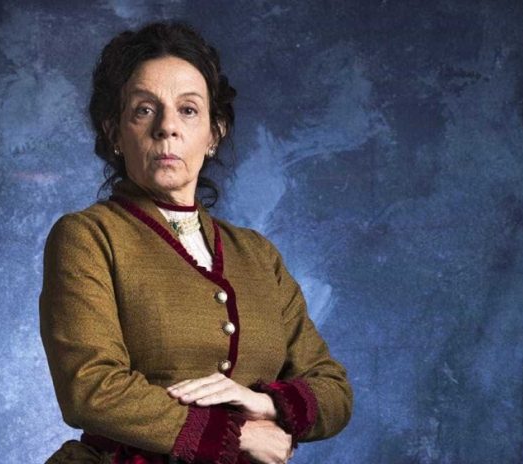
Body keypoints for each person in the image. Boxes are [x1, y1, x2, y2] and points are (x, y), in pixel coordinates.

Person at [39, 22, 352, 464]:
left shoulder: (257, 254)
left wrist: (266, 403)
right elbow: (89, 388)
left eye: (188, 110)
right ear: (114, 131)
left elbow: (333, 390)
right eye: (144, 110)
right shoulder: (87, 237)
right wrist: (237, 434)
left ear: (214, 133)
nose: (167, 127)